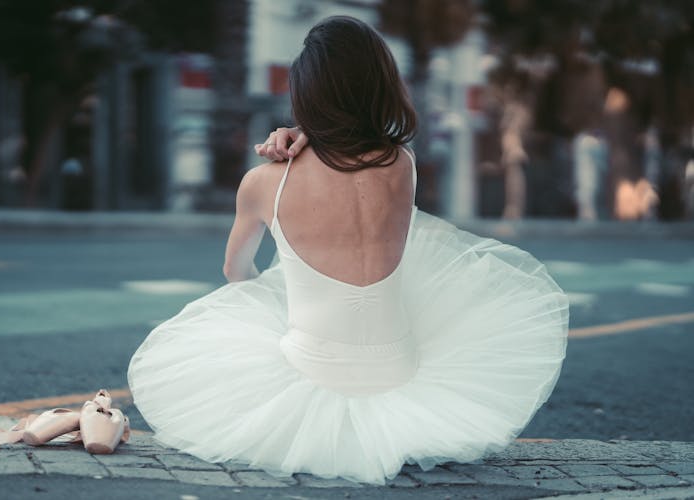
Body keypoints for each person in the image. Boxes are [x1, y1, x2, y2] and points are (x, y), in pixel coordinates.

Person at [128, 16, 568, 486]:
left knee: (255, 308)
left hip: (309, 370)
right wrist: (307, 132)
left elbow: (236, 273)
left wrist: (298, 136)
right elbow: (357, 147)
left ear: (305, 96)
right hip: (402, 372)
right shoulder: (403, 165)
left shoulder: (261, 185)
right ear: (379, 85)